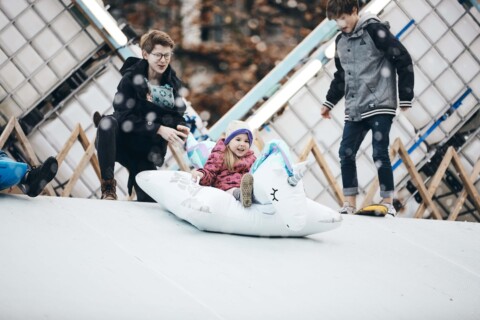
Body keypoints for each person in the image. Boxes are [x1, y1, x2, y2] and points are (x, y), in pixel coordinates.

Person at [320, 0, 414, 216]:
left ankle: (388, 201)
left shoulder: (374, 30)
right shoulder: (340, 41)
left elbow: (402, 57)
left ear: (354, 11)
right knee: (346, 152)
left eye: (343, 18)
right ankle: (349, 204)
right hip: (356, 107)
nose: (340, 24)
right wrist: (329, 102)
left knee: (379, 151)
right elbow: (341, 75)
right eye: (336, 20)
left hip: (380, 103)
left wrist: (405, 95)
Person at [95, 30, 190, 202]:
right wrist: (158, 128)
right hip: (120, 141)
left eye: (167, 56)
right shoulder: (130, 79)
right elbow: (123, 115)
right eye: (158, 55)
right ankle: (108, 187)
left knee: (150, 201)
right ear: (145, 54)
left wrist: (180, 126)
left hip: (143, 151)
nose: (163, 60)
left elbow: (176, 116)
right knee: (106, 123)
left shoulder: (173, 85)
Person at [191, 120, 257, 207]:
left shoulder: (251, 157)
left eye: (246, 141)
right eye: (238, 139)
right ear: (229, 141)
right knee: (233, 191)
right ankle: (242, 195)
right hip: (227, 188)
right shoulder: (220, 154)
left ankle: (250, 195)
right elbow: (210, 172)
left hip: (249, 186)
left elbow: (256, 170)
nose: (242, 144)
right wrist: (201, 174)